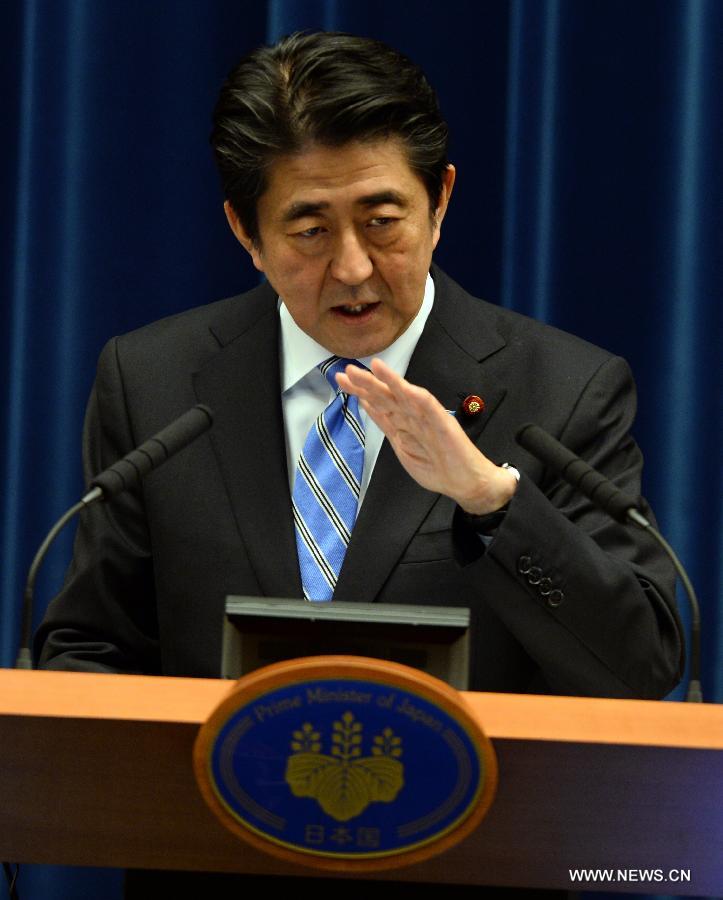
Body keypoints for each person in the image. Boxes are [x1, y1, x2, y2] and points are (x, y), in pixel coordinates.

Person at [33, 29, 684, 899]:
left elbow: (637, 674)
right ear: (244, 231)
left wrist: (491, 503)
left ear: (440, 199)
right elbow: (92, 641)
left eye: (383, 222)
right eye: (307, 229)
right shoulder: (154, 383)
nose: (352, 269)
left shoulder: (561, 390)